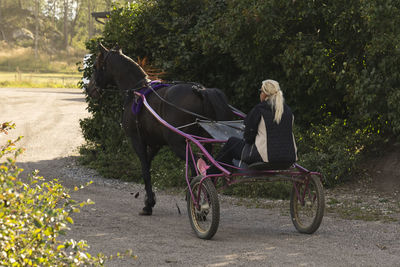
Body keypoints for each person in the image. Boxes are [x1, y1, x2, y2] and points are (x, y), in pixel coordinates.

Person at [207, 79, 297, 174]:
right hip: (289, 158)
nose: (260, 94)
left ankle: (210, 174)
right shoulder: (288, 111)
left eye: (261, 91)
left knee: (231, 143)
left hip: (265, 157)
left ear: (265, 94)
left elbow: (248, 137)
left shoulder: (260, 109)